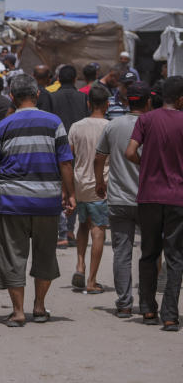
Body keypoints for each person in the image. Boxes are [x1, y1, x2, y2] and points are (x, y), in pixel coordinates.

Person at [0, 74, 76, 327]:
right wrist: (70, 194)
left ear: (12, 97)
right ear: (37, 95)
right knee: (45, 254)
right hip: (47, 202)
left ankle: (17, 312)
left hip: (12, 202)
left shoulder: (3, 126)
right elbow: (65, 162)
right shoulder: (55, 123)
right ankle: (39, 307)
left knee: (13, 256)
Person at [125, 75, 183, 331]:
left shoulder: (146, 120)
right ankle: (170, 315)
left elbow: (129, 152)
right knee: (175, 257)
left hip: (148, 195)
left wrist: (145, 165)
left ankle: (148, 308)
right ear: (181, 99)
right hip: (177, 197)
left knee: (148, 253)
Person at [95, 81, 150, 318]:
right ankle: (147, 304)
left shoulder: (113, 125)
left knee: (122, 252)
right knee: (150, 251)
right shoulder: (153, 124)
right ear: (148, 102)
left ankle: (125, 303)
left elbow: (99, 157)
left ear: (126, 101)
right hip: (149, 199)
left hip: (118, 199)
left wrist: (100, 182)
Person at [68, 87, 112, 295]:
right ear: (107, 105)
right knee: (98, 230)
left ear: (88, 103)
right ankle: (92, 281)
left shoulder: (76, 126)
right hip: (100, 185)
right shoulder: (109, 127)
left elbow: (68, 158)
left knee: (83, 225)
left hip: (79, 183)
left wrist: (66, 190)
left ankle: (80, 266)